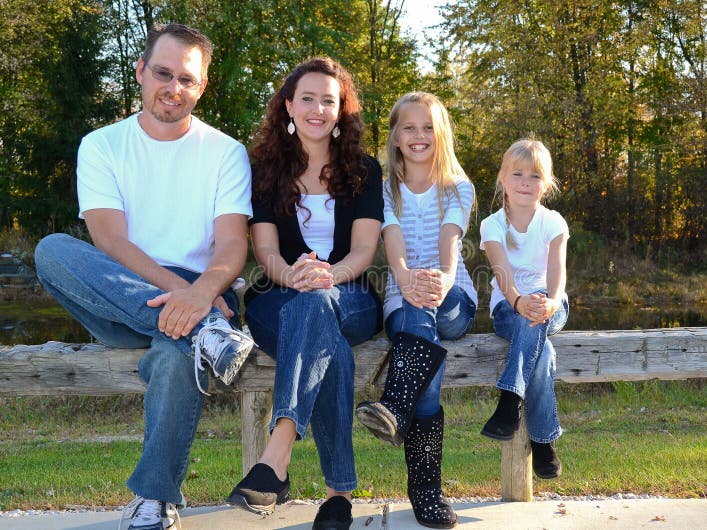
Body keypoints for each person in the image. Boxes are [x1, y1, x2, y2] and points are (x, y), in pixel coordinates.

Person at [33, 23, 254, 530]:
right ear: (140, 72)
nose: (173, 88)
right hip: (123, 293)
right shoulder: (102, 145)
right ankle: (207, 336)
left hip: (206, 289)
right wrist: (187, 302)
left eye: (186, 79)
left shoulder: (224, 151)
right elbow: (110, 242)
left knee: (177, 351)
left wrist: (199, 292)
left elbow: (232, 246)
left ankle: (154, 500)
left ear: (201, 87)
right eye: (162, 73)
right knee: (52, 250)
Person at [225, 57, 383, 530]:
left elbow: (364, 252)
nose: (318, 109)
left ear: (342, 110)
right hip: (277, 296)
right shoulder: (264, 169)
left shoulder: (364, 170)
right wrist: (293, 276)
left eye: (329, 100)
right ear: (289, 106)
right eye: (307, 98)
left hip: (350, 294)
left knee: (320, 305)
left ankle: (277, 456)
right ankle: (338, 495)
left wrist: (327, 276)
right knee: (323, 336)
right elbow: (265, 250)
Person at [355, 92, 476, 529]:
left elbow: (449, 236)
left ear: (440, 133)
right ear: (395, 135)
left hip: (454, 300)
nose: (419, 136)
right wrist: (405, 278)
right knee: (418, 332)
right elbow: (393, 242)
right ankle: (427, 494)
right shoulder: (386, 188)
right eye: (409, 127)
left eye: (428, 127)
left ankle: (394, 407)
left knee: (424, 317)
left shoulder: (458, 185)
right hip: (402, 299)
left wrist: (442, 277)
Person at [478, 137, 569, 480]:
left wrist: (551, 300)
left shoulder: (553, 222)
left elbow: (557, 273)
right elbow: (502, 274)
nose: (525, 183)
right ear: (502, 178)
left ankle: (509, 401)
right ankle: (543, 442)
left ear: (546, 184)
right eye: (517, 174)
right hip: (508, 307)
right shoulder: (493, 225)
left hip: (551, 303)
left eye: (535, 176)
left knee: (536, 321)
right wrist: (519, 301)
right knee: (541, 352)